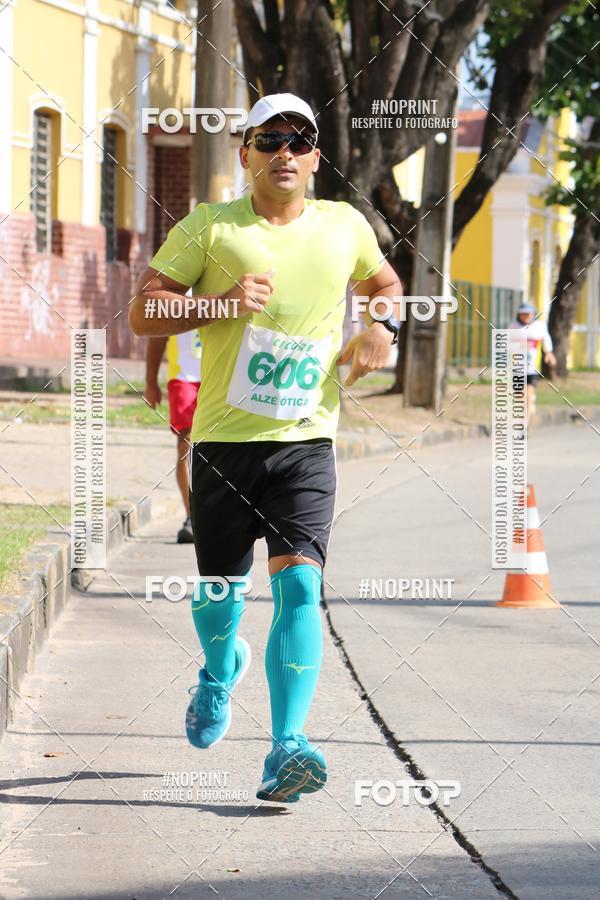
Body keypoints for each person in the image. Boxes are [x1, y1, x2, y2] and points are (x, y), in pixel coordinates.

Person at [129, 93, 402, 803]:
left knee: (300, 586)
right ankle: (220, 670)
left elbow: (385, 284)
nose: (285, 151)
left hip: (306, 441)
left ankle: (287, 748)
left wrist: (382, 328)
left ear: (316, 157)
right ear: (245, 151)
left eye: (299, 140)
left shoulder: (344, 225)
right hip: (224, 443)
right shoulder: (211, 228)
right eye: (270, 139)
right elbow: (143, 311)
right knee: (220, 595)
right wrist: (219, 304)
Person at [144, 330, 201, 543]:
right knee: (185, 445)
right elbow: (157, 336)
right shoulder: (173, 304)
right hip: (183, 378)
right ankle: (192, 517)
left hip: (220, 377)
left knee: (223, 445)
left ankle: (219, 513)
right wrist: (151, 382)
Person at [509, 303, 556, 421]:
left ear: (533, 314)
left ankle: (524, 423)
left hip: (532, 369)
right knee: (519, 397)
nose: (525, 316)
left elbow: (546, 340)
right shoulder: (513, 327)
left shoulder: (539, 327)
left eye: (528, 314)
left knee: (528, 395)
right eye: (523, 314)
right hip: (517, 368)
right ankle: (523, 415)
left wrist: (549, 353)